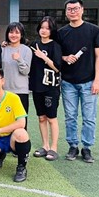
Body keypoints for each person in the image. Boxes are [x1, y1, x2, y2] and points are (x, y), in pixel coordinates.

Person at [57, 0, 99, 163]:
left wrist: (97, 80)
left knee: (89, 118)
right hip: (68, 82)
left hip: (89, 81)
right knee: (70, 117)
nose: (73, 12)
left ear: (82, 10)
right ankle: (73, 146)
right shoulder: (61, 33)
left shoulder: (94, 31)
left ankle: (87, 148)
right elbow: (56, 55)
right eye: (69, 9)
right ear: (66, 12)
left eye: (76, 8)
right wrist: (65, 57)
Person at [29, 17, 62, 161]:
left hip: (50, 87)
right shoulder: (34, 44)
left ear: (52, 30)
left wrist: (44, 57)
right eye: (42, 27)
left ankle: (54, 148)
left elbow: (57, 68)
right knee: (41, 117)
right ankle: (45, 145)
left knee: (51, 118)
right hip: (37, 87)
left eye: (47, 28)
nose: (44, 30)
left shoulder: (55, 46)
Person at [1, 22, 32, 124]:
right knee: (5, 122)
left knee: (21, 123)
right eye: (11, 32)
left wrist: (19, 59)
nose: (14, 35)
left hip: (21, 91)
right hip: (4, 91)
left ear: (21, 34)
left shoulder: (26, 50)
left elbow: (26, 71)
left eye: (17, 32)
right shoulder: (2, 49)